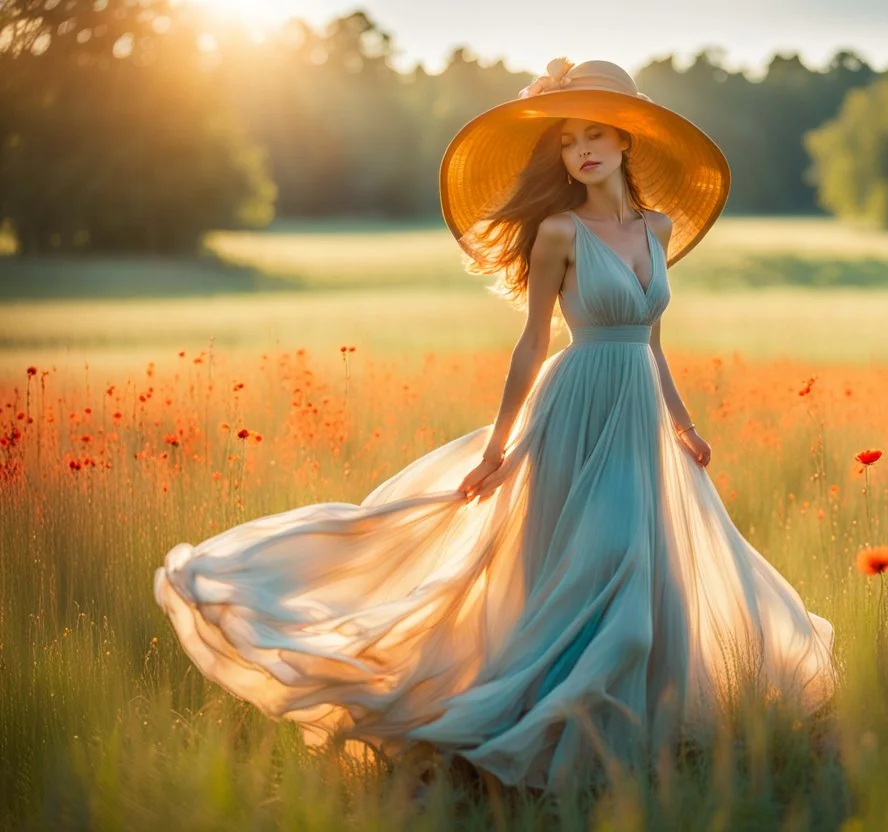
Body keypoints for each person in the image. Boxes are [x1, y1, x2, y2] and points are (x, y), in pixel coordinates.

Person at [153, 57, 836, 792]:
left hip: (637, 416)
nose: (584, 149)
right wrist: (499, 446)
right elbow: (534, 342)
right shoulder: (558, 232)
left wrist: (685, 422)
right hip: (572, 411)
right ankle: (539, 750)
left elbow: (652, 340)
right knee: (601, 575)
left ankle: (623, 756)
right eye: (570, 139)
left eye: (597, 133)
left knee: (649, 576)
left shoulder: (658, 228)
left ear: (628, 140)